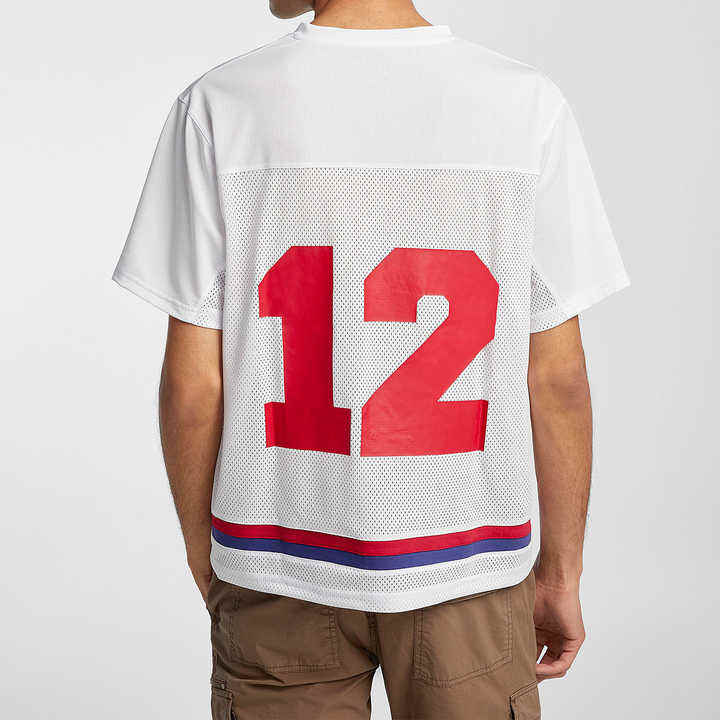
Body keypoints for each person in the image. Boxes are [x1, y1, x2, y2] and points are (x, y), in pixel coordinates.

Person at [113, 0, 629, 717]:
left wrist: (212, 562)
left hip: (279, 561)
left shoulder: (220, 106)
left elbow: (195, 383)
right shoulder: (524, 104)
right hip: (467, 565)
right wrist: (562, 575)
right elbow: (557, 377)